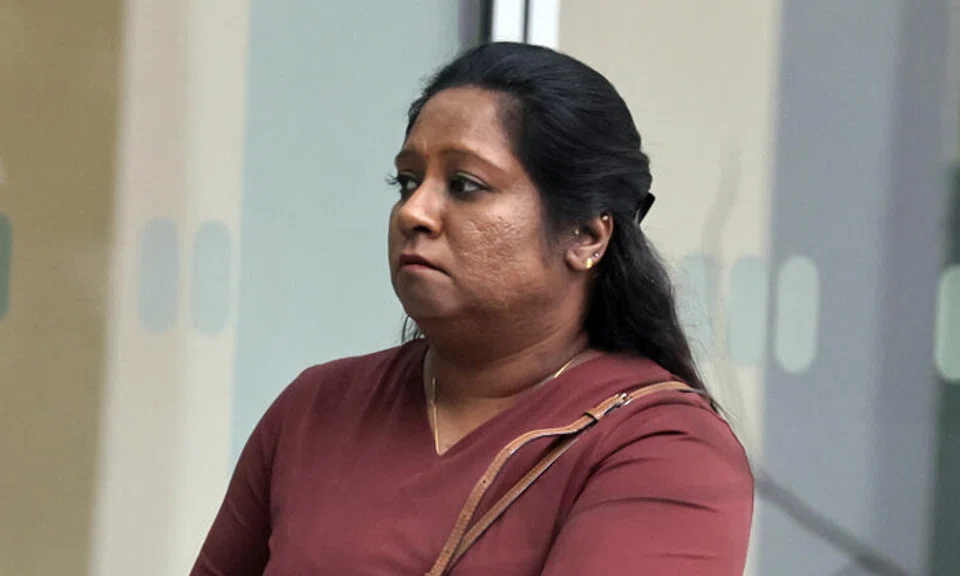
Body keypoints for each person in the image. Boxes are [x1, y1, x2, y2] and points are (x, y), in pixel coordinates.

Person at [191, 42, 753, 576]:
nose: (414, 211)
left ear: (586, 234)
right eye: (407, 181)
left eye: (464, 185)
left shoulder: (662, 444)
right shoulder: (316, 408)